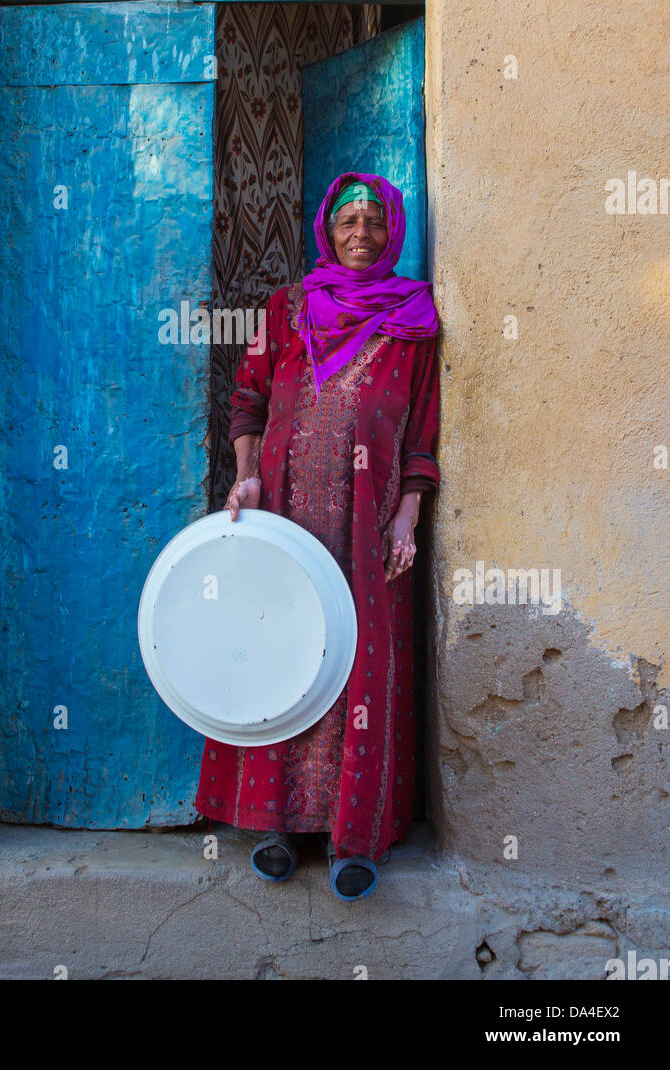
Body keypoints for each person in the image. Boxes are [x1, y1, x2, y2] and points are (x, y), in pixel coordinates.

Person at [194, 171, 440, 900]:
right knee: (281, 650)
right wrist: (246, 478)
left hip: (367, 525)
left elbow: (421, 432)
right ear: (326, 231)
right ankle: (276, 825)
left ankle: (351, 837)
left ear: (391, 231)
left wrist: (407, 514)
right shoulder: (289, 308)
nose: (359, 235)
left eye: (372, 223)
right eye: (346, 223)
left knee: (359, 660)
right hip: (285, 517)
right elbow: (248, 398)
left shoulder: (412, 320)